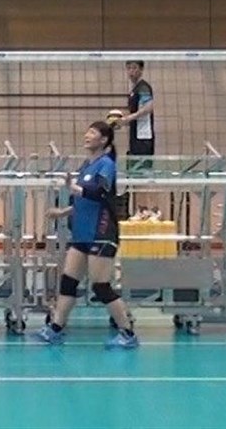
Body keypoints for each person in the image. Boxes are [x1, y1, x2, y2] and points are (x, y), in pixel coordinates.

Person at [37, 121, 139, 349]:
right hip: (81, 233)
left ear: (104, 140)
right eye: (88, 131)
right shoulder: (86, 165)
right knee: (68, 282)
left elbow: (100, 192)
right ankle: (55, 329)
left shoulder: (106, 164)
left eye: (93, 132)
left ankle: (127, 333)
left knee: (100, 286)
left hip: (101, 233)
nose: (87, 135)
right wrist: (63, 212)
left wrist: (73, 187)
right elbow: (84, 201)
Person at [118, 60, 155, 171]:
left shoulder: (143, 87)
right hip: (135, 134)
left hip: (143, 135)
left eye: (134, 68)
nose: (131, 71)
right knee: (133, 167)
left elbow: (148, 107)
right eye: (128, 68)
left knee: (142, 170)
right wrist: (123, 121)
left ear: (141, 70)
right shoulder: (134, 90)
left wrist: (130, 118)